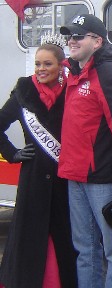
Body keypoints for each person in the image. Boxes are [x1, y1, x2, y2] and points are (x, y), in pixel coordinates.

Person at [58, 14, 112, 288]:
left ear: (96, 41)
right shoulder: (76, 71)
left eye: (78, 36)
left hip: (104, 180)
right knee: (85, 250)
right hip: (76, 177)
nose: (72, 40)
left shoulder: (109, 74)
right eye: (69, 36)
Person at [0, 33, 77, 287]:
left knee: (63, 235)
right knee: (31, 237)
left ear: (60, 65)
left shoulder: (72, 92)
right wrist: (12, 153)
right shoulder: (24, 93)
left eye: (48, 64)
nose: (41, 69)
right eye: (37, 64)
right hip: (33, 179)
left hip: (64, 179)